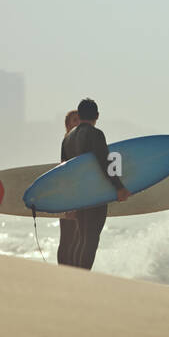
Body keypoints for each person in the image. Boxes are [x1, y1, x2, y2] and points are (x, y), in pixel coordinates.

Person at [60, 98, 130, 270]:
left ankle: (74, 275)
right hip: (94, 194)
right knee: (90, 240)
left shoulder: (68, 138)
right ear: (97, 115)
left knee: (82, 238)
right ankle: (82, 278)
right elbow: (105, 163)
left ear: (81, 114)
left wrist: (69, 200)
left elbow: (64, 169)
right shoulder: (96, 134)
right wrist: (119, 187)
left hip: (78, 196)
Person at [56, 109, 81, 266]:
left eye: (80, 119)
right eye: (74, 120)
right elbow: (66, 174)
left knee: (77, 240)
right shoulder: (67, 143)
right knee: (67, 238)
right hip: (68, 198)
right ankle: (64, 270)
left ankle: (72, 271)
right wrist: (69, 204)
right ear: (67, 125)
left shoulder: (82, 144)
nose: (78, 123)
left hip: (80, 198)